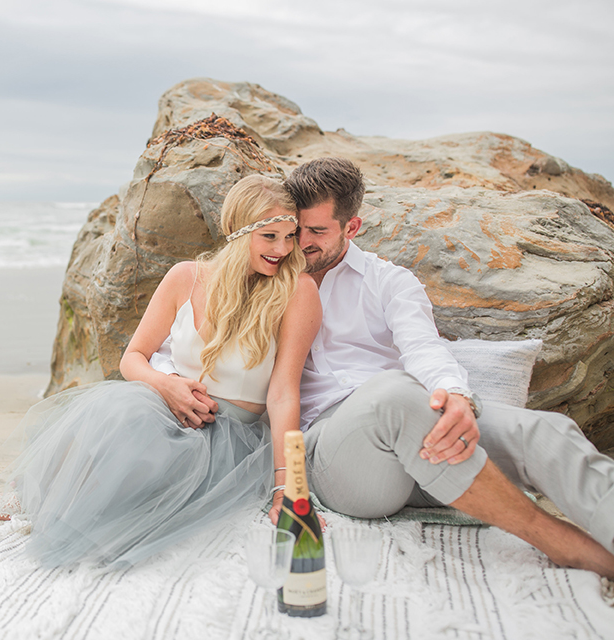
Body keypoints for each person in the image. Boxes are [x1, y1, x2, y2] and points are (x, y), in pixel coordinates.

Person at [153, 157, 614, 578]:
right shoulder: (266, 281)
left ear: (351, 226)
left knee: (547, 433)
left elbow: (425, 349)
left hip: (412, 426)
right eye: (294, 229)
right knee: (393, 395)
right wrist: (169, 380)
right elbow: (190, 343)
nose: (300, 243)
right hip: (332, 451)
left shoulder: (389, 282)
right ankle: (555, 540)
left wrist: (456, 397)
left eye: (315, 231)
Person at [0, 174, 322, 570]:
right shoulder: (186, 277)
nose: (283, 249)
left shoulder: (297, 291)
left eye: (290, 236)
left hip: (228, 435)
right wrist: (166, 386)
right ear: (236, 231)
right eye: (269, 236)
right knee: (117, 412)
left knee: (123, 499)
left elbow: (284, 393)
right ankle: (25, 495)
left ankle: (60, 504)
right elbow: (132, 358)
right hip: (163, 403)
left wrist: (288, 487)